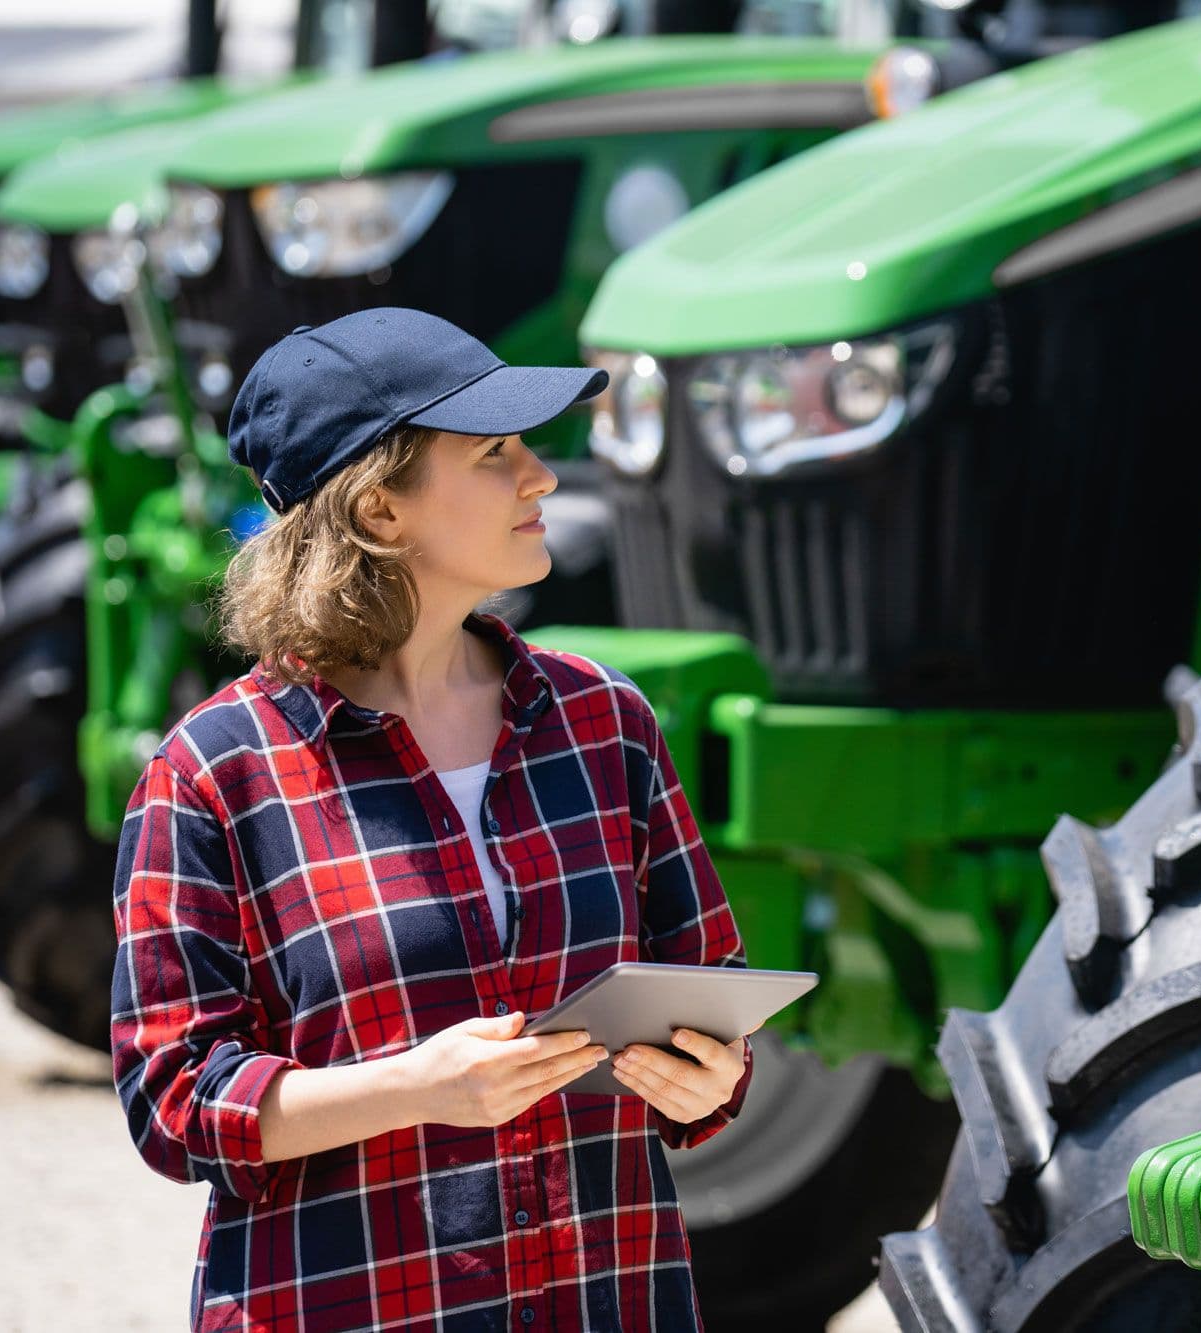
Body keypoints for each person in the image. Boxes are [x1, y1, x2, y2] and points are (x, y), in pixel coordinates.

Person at [109, 307, 753, 1332]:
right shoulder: (214, 774)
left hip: (609, 1299)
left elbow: (708, 993)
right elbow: (176, 1102)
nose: (541, 476)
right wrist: (416, 1087)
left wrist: (704, 1078)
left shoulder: (605, 722)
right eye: (495, 452)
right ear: (379, 511)